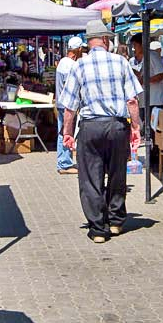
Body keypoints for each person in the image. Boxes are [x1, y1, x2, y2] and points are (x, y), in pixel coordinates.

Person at [59, 20, 142, 244]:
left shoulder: (78, 66)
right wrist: (136, 127)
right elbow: (132, 100)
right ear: (105, 40)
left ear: (89, 41)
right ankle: (115, 221)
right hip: (116, 125)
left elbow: (69, 107)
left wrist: (67, 132)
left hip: (91, 127)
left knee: (90, 178)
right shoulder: (121, 62)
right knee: (117, 173)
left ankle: (98, 228)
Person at [55, 37, 83, 174]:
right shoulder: (69, 65)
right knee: (66, 132)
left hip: (61, 103)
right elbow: (71, 87)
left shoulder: (62, 62)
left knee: (63, 132)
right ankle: (64, 163)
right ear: (78, 49)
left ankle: (65, 162)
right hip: (66, 105)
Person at [129, 36, 163, 116]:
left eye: (135, 45)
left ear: (142, 45)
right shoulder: (145, 57)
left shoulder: (152, 55)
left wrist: (145, 80)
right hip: (147, 102)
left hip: (155, 101)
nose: (133, 49)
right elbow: (145, 76)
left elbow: (162, 74)